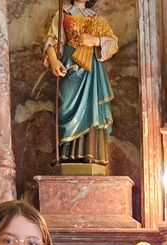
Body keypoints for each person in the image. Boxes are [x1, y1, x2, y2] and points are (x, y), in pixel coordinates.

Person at [44, 1, 119, 165]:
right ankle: (65, 154)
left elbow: (113, 42)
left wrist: (94, 40)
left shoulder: (96, 18)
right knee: (66, 105)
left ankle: (90, 152)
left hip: (92, 70)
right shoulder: (62, 14)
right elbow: (52, 42)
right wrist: (54, 60)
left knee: (91, 108)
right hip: (70, 65)